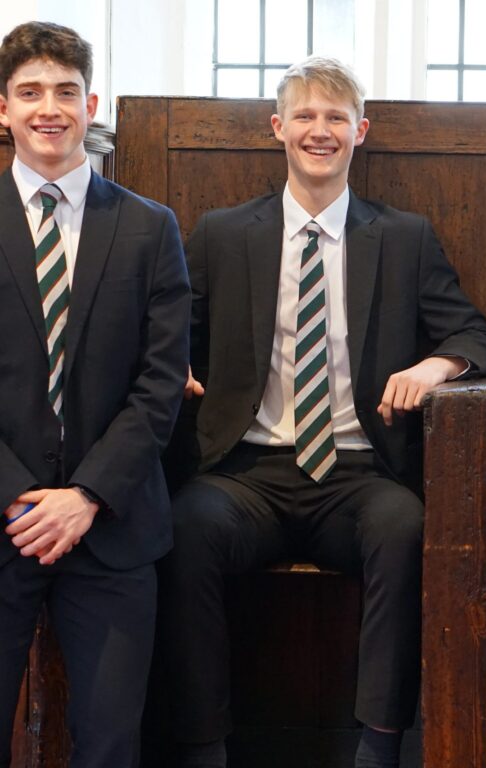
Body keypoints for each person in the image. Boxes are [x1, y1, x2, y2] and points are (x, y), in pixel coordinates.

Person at [159, 55, 486, 768]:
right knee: (186, 527)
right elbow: (171, 329)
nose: (321, 130)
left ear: (361, 131)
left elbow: (474, 335)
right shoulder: (223, 232)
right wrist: (178, 364)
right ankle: (202, 747)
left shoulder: (403, 236)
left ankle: (379, 746)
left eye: (336, 118)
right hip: (246, 472)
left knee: (404, 526)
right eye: (306, 116)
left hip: (357, 470)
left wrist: (433, 366)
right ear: (278, 127)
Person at [0, 21, 189, 768]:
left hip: (111, 528)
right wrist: (19, 497)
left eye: (66, 91)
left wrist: (83, 496)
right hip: (2, 522)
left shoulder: (148, 227)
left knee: (110, 744)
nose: (50, 107)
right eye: (30, 91)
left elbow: (161, 381)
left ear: (91, 103)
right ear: (3, 108)